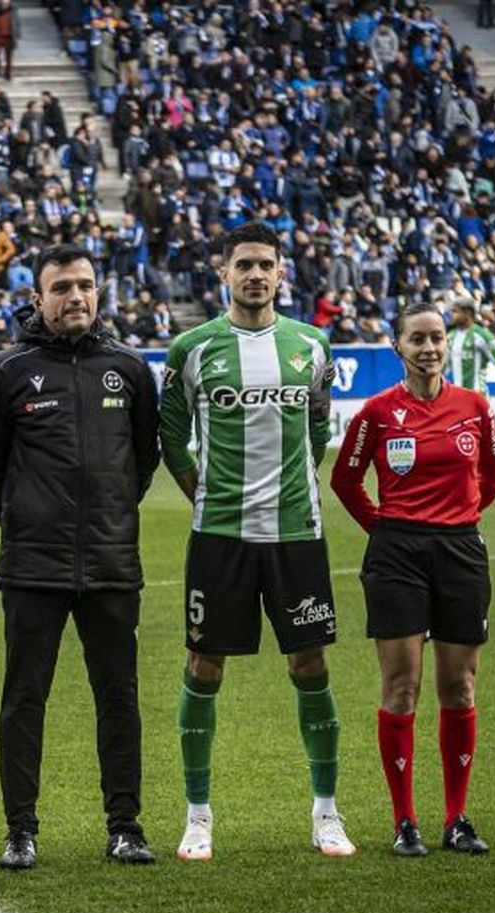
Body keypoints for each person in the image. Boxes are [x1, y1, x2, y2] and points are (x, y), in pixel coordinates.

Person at [156, 221, 356, 862]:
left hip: (297, 534)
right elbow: (169, 435)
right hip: (219, 537)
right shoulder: (193, 348)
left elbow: (319, 427)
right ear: (224, 272)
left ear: (281, 273)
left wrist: (297, 485)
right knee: (203, 665)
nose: (255, 275)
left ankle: (326, 812)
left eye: (265, 264)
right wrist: (204, 494)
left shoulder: (311, 345)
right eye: (243, 264)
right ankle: (197, 815)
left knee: (311, 664)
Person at [0, 244, 161, 869]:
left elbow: (141, 461)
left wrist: (105, 519)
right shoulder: (6, 371)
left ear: (98, 293)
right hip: (33, 566)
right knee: (25, 698)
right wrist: (30, 521)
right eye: (61, 288)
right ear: (38, 299)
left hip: (112, 564)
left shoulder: (130, 368)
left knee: (119, 697)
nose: (75, 296)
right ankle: (21, 830)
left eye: (84, 285)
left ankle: (125, 826)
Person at [331, 303, 495, 857]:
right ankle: (404, 820)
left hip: (460, 550)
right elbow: (345, 479)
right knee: (401, 686)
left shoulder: (475, 408)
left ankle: (457, 818)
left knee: (458, 686)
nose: (429, 348)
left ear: (446, 345)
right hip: (397, 554)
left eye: (436, 338)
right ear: (398, 348)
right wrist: (383, 529)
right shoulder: (378, 413)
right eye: (417, 340)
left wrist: (461, 517)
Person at [446, 296, 495, 411]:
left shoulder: (482, 335)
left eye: (455, 311)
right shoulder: (450, 336)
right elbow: (443, 368)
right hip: (456, 399)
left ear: (467, 313)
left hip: (477, 398)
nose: (451, 315)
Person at [0, 0, 18, 81]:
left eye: (7, 2)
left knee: (8, 56)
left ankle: (8, 73)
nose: (5, 4)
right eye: (4, 2)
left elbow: (16, 23)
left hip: (9, 36)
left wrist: (16, 34)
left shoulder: (13, 11)